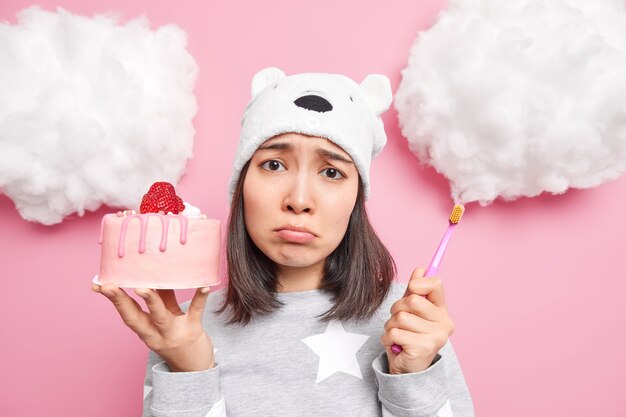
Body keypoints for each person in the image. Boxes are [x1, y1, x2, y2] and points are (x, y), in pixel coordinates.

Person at [92, 67, 475, 417]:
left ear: (357, 200)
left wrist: (412, 378)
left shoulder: (408, 322)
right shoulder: (183, 328)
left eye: (331, 171)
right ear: (241, 185)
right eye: (273, 164)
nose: (299, 199)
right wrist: (189, 369)